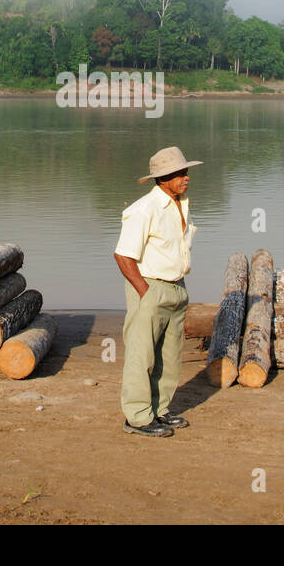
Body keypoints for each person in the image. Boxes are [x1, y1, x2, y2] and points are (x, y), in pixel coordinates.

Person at [113, 146, 201, 438]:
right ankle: (137, 418)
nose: (185, 177)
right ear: (162, 179)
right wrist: (144, 291)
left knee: (170, 354)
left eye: (185, 172)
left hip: (177, 288)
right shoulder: (142, 210)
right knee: (142, 355)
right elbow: (123, 256)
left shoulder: (180, 204)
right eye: (178, 174)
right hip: (150, 287)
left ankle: (159, 410)